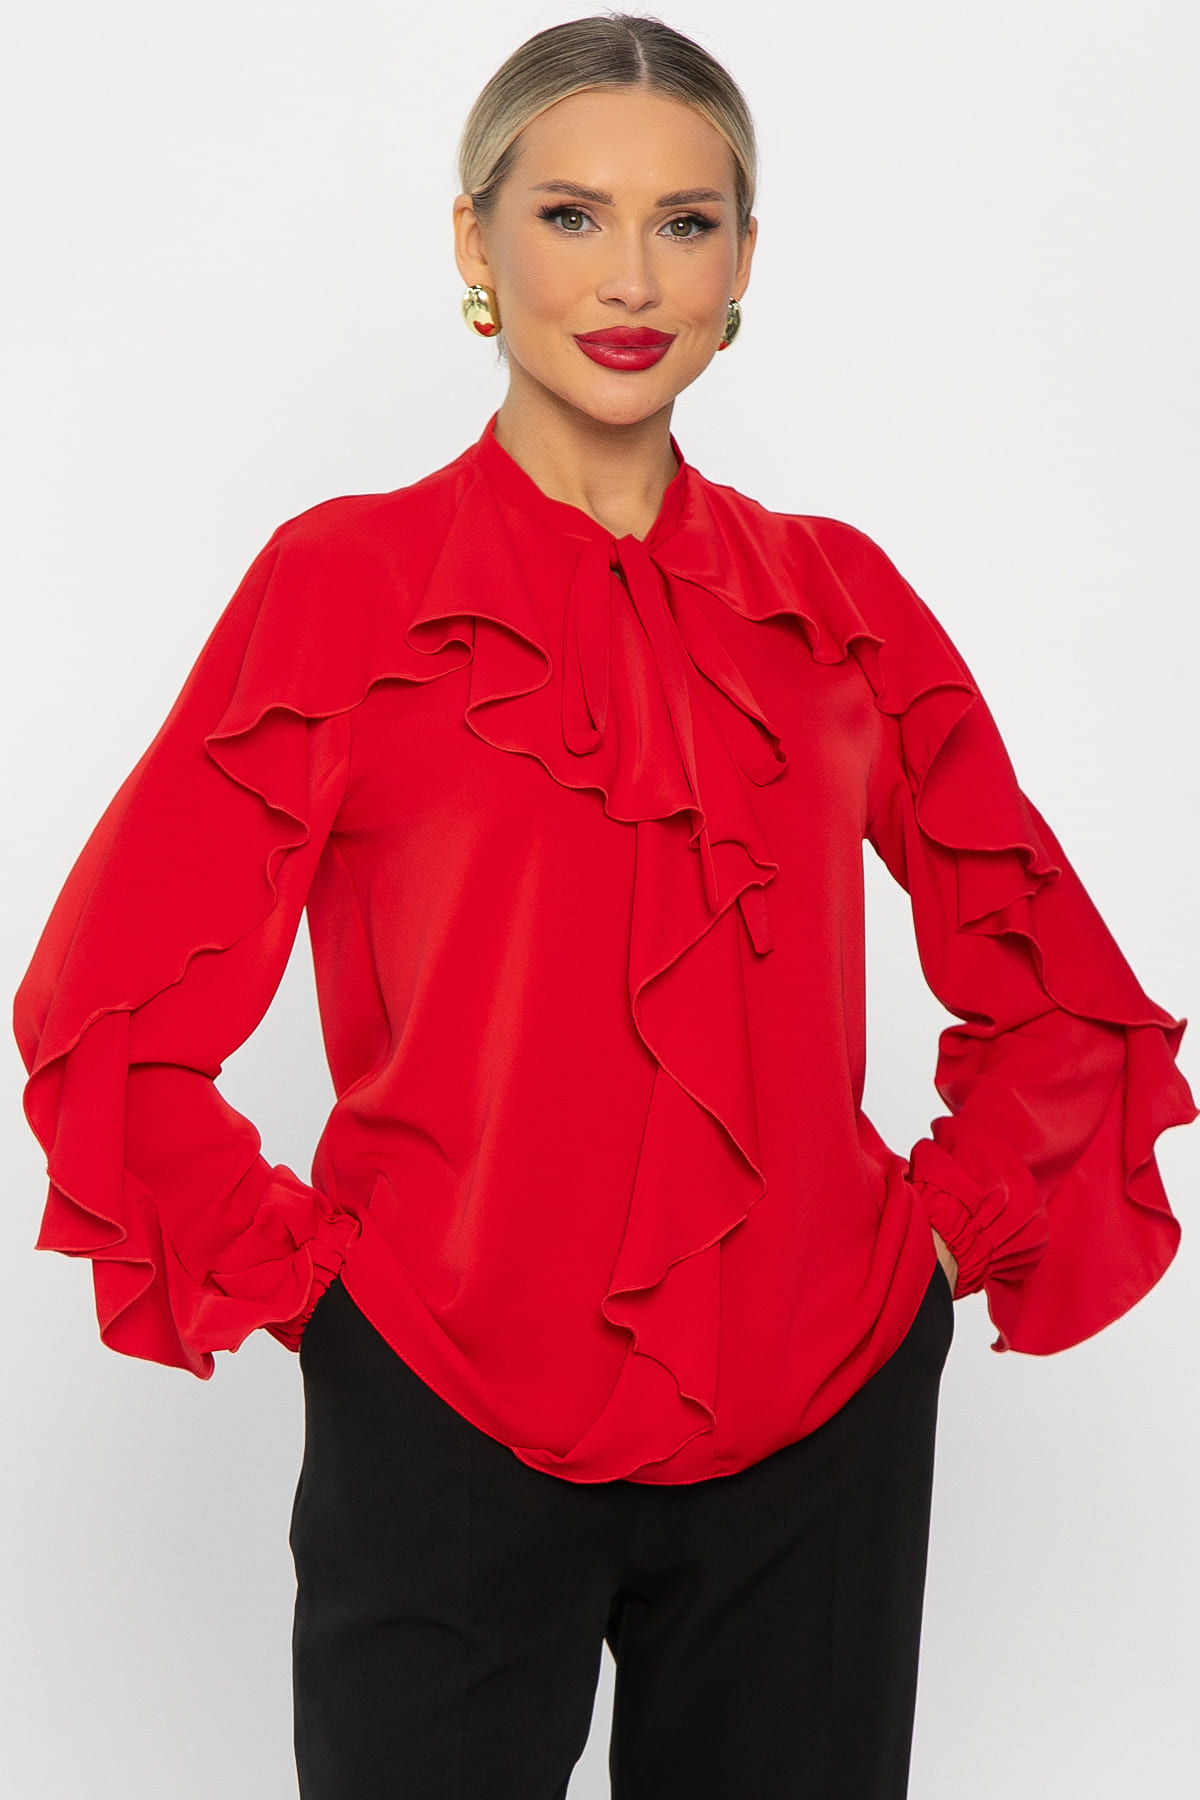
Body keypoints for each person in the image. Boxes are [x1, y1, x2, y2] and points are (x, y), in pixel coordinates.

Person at [11, 12, 1196, 1799]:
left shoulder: (838, 600)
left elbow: (1057, 987)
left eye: (685, 222)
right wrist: (327, 1297)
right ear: (475, 244)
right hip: (443, 1406)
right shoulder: (347, 583)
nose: (632, 277)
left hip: (820, 1417)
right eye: (572, 215)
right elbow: (110, 1010)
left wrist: (931, 1248)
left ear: (742, 264)